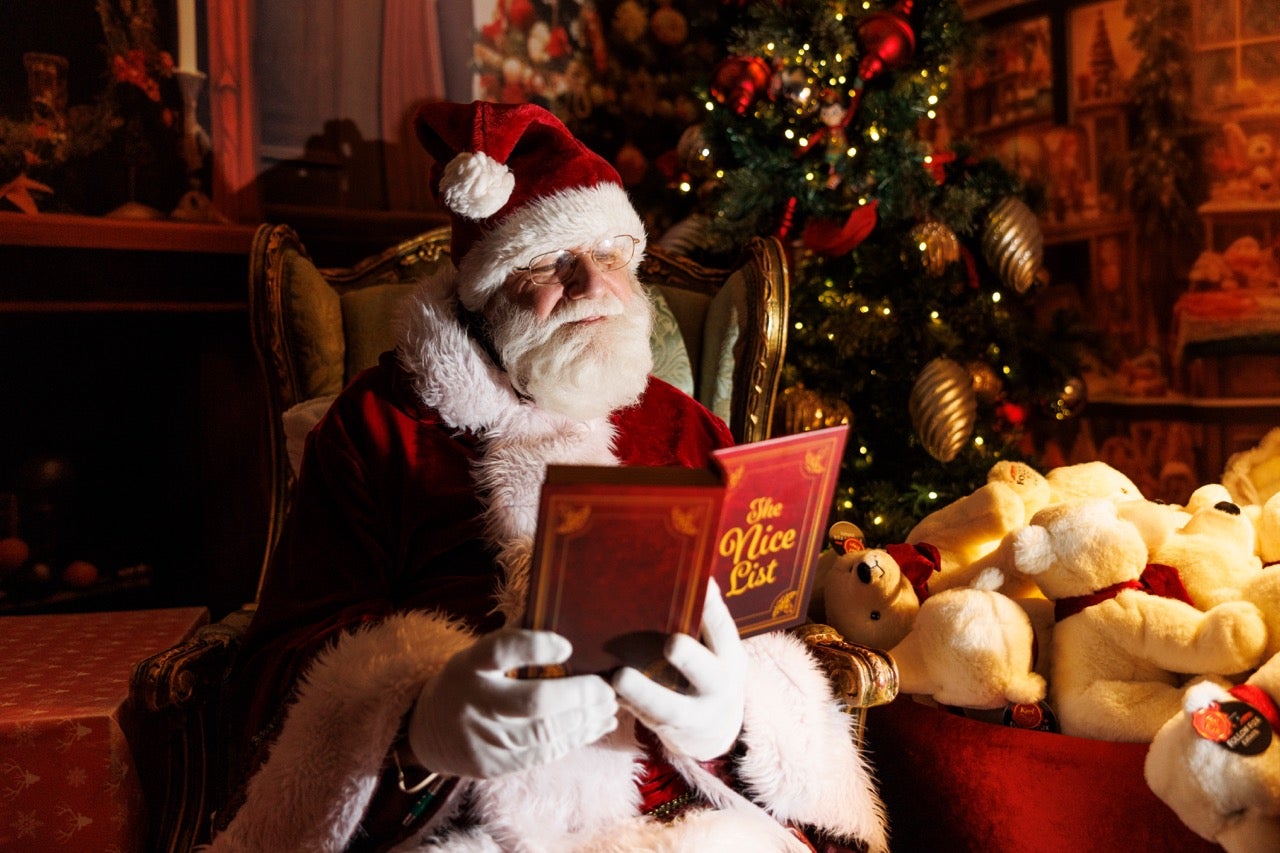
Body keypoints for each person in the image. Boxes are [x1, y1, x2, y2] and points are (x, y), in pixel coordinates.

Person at [211, 100, 887, 852]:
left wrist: (735, 713)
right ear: (487, 287)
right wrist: (419, 718)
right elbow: (277, 662)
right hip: (465, 821)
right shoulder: (380, 424)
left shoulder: (687, 427)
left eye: (612, 257)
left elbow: (764, 622)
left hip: (690, 816)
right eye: (552, 263)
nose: (596, 286)